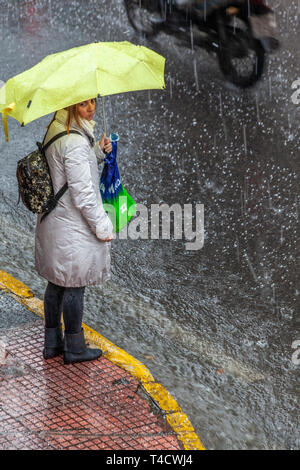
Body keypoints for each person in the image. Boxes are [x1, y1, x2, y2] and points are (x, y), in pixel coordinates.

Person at [35, 98, 114, 365]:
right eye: (82, 104)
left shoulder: (57, 130)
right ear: (70, 106)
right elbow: (84, 195)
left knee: (57, 282)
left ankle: (52, 342)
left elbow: (68, 172)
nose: (91, 107)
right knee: (74, 285)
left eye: (93, 101)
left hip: (55, 221)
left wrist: (98, 154)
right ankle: (75, 347)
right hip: (72, 226)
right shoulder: (76, 143)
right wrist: (103, 227)